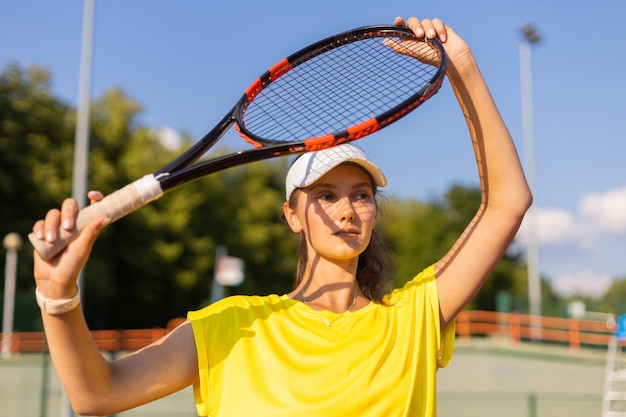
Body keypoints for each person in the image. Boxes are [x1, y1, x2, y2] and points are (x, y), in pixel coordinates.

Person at [31, 16, 532, 417]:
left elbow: (507, 203)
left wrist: (461, 64)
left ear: (374, 213)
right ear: (292, 215)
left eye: (361, 195)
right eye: (325, 194)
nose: (346, 210)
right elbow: (97, 396)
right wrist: (57, 296)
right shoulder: (232, 325)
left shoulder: (412, 318)